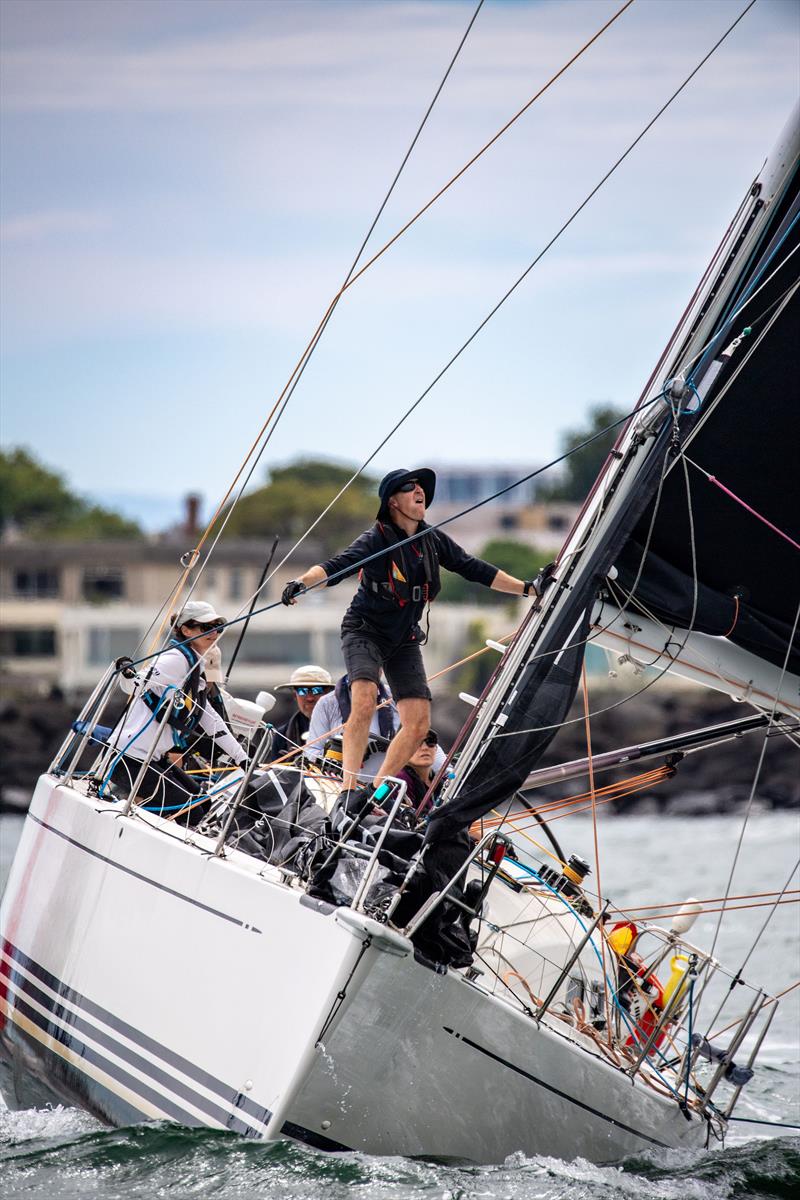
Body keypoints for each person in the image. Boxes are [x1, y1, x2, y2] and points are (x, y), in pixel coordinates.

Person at [282, 467, 540, 799]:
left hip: (404, 638)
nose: (420, 491)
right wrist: (302, 583)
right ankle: (348, 791)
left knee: (418, 724)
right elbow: (336, 566)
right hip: (365, 630)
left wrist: (527, 589)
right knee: (363, 700)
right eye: (410, 487)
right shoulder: (376, 538)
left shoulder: (432, 540)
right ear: (392, 501)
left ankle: (373, 793)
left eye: (422, 487)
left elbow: (475, 568)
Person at [108, 600, 246, 820]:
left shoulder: (194, 666)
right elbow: (133, 685)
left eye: (217, 627)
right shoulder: (175, 660)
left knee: (204, 802)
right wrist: (127, 672)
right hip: (128, 758)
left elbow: (211, 720)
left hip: (153, 757)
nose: (214, 633)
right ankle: (125, 822)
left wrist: (242, 758)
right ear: (186, 630)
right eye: (206, 627)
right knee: (191, 812)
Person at [305, 671, 399, 780]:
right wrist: (337, 756)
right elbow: (311, 751)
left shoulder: (396, 698)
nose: (367, 666)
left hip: (393, 786)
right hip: (343, 787)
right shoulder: (327, 703)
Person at [272, 665, 334, 757]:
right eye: (302, 691)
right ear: (295, 695)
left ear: (328, 694)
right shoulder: (282, 735)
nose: (309, 698)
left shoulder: (343, 727)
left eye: (316, 690)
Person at [396, 728, 442, 816]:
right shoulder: (400, 780)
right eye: (416, 743)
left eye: (430, 742)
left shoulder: (440, 782)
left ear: (436, 749)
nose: (425, 748)